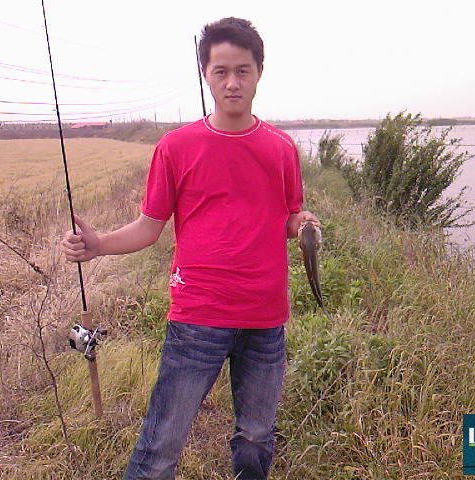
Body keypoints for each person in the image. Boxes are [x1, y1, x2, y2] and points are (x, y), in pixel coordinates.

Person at [61, 17, 318, 480]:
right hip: (197, 317)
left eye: (243, 70)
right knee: (161, 443)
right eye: (221, 71)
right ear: (206, 75)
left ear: (259, 72)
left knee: (257, 437)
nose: (232, 82)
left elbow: (285, 218)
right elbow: (149, 227)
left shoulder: (282, 148)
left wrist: (302, 223)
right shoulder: (176, 147)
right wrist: (98, 245)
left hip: (265, 319)